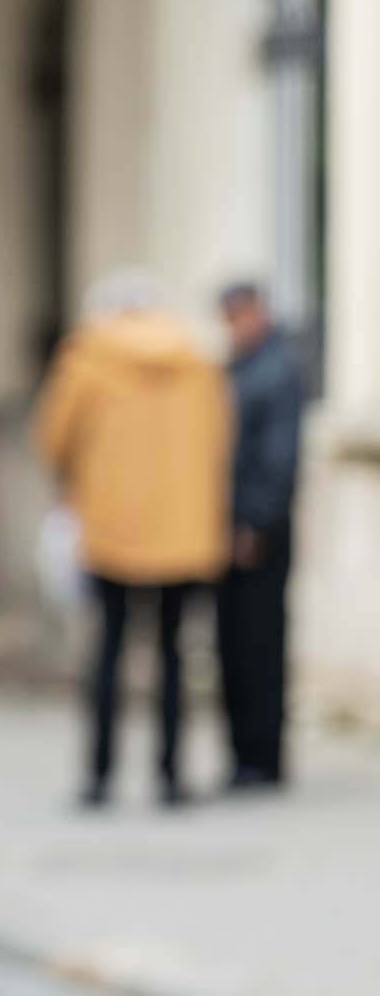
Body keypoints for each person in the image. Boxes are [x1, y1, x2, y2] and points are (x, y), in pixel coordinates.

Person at [35, 271, 231, 809]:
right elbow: (220, 439)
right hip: (183, 533)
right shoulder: (197, 361)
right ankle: (170, 778)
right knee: (173, 655)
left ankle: (100, 777)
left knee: (109, 654)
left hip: (111, 528)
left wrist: (77, 482)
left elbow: (53, 438)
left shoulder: (87, 358)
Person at [216, 282, 304, 792]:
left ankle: (262, 758)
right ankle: (243, 755)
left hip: (259, 530)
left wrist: (256, 522)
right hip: (231, 525)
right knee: (233, 644)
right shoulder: (238, 366)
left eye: (239, 316)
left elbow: (277, 456)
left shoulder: (277, 369)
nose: (234, 327)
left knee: (260, 643)